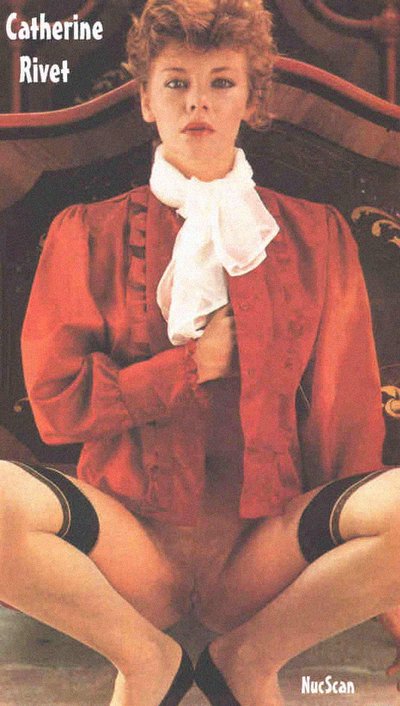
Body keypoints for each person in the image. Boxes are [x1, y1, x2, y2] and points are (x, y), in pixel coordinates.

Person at [1, 0, 400, 704]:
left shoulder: (316, 235)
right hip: (129, 543)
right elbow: (57, 407)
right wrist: (191, 368)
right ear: (147, 101)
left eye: (221, 82)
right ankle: (146, 659)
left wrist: (385, 594)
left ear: (252, 99)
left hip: (262, 553)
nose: (198, 103)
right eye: (176, 83)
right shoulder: (84, 232)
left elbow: (347, 421)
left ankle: (247, 658)